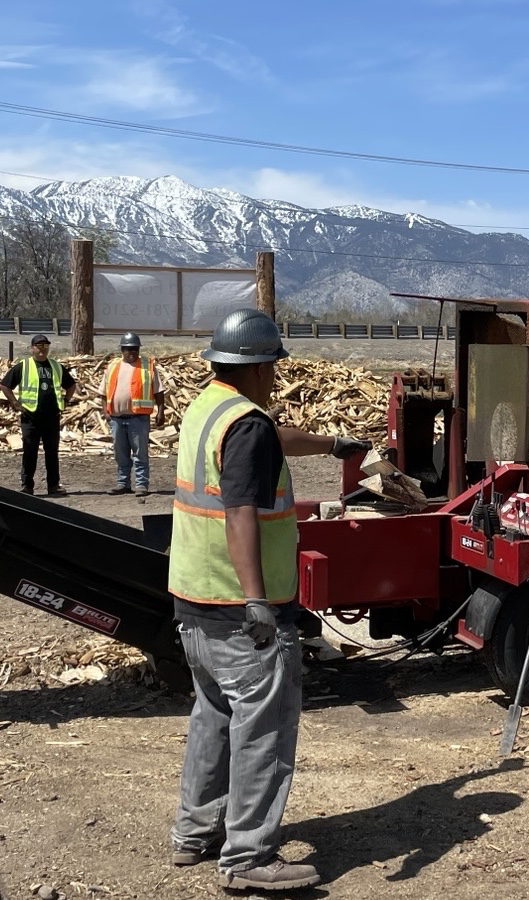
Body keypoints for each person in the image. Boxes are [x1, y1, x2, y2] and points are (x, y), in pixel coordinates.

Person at [167, 308, 370, 891]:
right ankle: (249, 857)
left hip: (196, 602)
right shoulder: (247, 423)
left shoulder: (211, 408)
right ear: (259, 367)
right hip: (242, 611)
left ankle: (194, 833)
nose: (277, 377)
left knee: (214, 716)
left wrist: (332, 443)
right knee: (265, 727)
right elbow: (240, 512)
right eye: (273, 366)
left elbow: (267, 439)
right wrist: (258, 602)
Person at [0, 334, 77, 496]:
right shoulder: (24, 366)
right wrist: (15, 403)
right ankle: (27, 486)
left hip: (51, 417)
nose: (42, 349)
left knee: (52, 452)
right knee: (30, 451)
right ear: (32, 348)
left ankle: (53, 485)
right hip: (30, 417)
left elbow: (71, 385)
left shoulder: (56, 366)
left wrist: (66, 400)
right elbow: (5, 385)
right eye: (38, 346)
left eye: (45, 346)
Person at [103, 331, 165, 497]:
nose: (132, 352)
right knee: (121, 453)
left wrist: (161, 411)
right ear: (122, 350)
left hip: (138, 419)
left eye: (135, 349)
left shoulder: (147, 366)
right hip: (117, 418)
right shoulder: (113, 366)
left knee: (140, 453)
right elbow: (104, 392)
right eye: (128, 349)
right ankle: (123, 483)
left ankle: (141, 484)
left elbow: (158, 391)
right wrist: (106, 412)